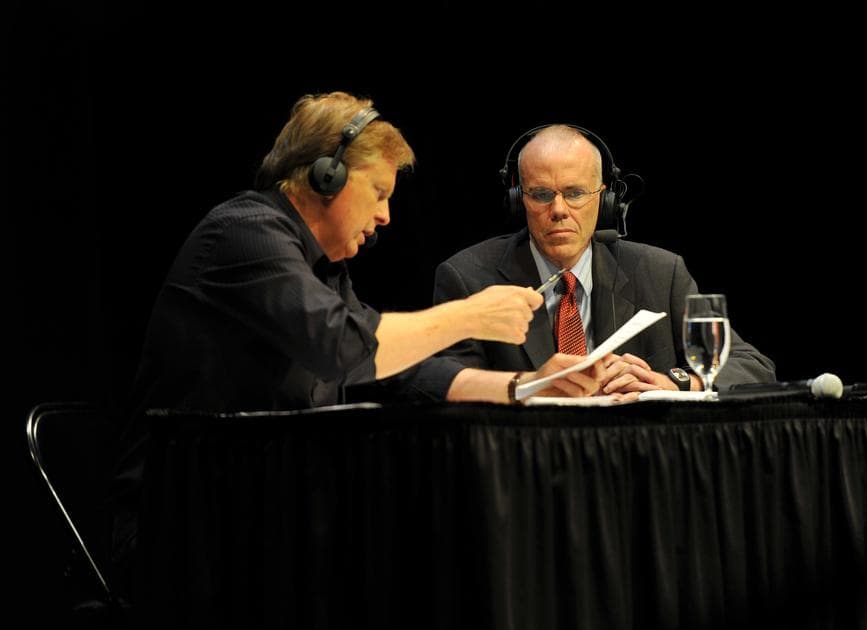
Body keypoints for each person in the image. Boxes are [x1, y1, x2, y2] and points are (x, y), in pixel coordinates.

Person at [109, 94, 605, 600]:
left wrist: (528, 387)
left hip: (264, 508)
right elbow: (341, 348)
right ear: (328, 177)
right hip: (183, 525)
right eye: (379, 192)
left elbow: (394, 371)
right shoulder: (243, 234)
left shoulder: (323, 267)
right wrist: (469, 316)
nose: (386, 215)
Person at [431, 124, 776, 393]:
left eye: (575, 193)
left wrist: (678, 382)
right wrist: (531, 385)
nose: (559, 210)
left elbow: (751, 364)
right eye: (541, 195)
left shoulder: (661, 273)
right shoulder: (468, 278)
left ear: (607, 200)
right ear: (517, 200)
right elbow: (445, 385)